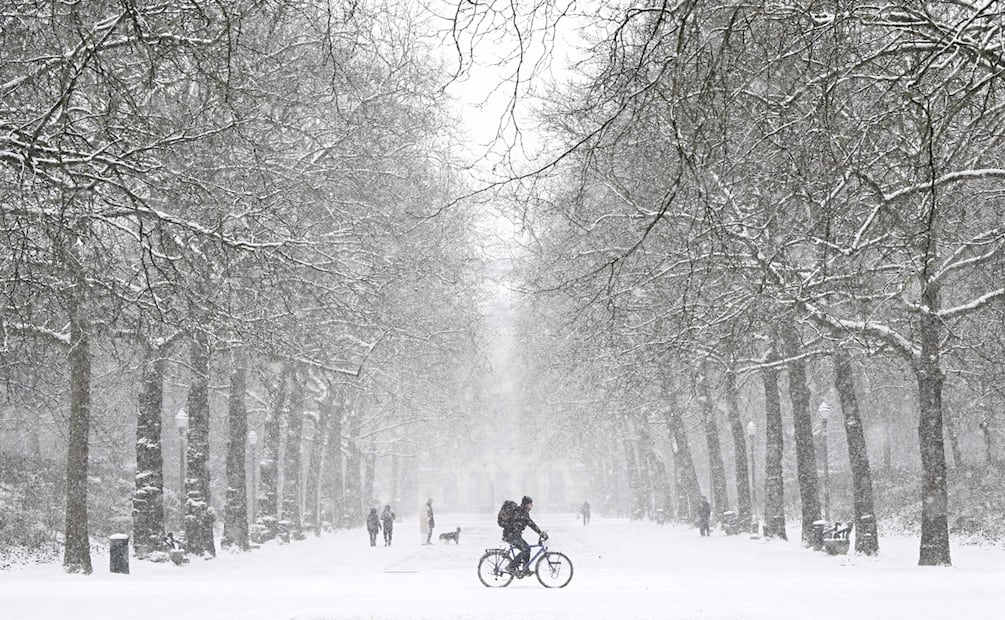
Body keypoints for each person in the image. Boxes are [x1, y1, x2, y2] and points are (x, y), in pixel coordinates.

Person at [501, 495, 545, 576]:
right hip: (510, 536)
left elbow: (531, 523)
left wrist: (540, 532)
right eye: (530, 504)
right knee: (526, 549)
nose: (532, 506)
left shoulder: (523, 512)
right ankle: (511, 567)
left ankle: (525, 569)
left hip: (514, 535)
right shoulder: (520, 512)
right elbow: (531, 524)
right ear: (526, 504)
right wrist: (540, 533)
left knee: (527, 548)